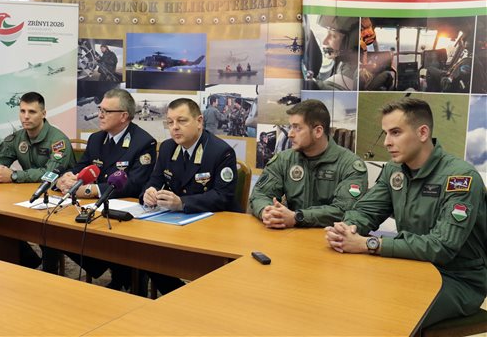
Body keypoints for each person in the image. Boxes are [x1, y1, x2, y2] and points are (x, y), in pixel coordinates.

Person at [325, 98, 486, 328]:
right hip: (410, 266)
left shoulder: (460, 178)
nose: (387, 142)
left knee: (386, 311)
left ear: (422, 133)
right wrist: (347, 228)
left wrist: (370, 244)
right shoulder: (394, 171)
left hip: (456, 279)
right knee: (345, 290)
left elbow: (442, 247)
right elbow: (365, 211)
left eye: (396, 133)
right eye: (386, 134)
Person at [54, 88, 157, 290]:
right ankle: (109, 268)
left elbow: (134, 184)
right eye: (100, 109)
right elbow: (80, 167)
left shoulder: (143, 142)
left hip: (125, 212)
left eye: (105, 111)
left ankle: (128, 277)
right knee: (61, 233)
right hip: (95, 208)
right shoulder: (96, 139)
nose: (99, 115)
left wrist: (91, 190)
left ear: (123, 116)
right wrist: (66, 178)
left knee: (108, 242)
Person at [142, 98, 238, 294]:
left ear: (199, 121)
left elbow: (223, 196)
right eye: (170, 122)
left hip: (211, 227)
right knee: (145, 253)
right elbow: (154, 180)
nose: (175, 128)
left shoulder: (221, 152)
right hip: (175, 224)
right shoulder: (167, 148)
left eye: (182, 121)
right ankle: (175, 294)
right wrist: (149, 193)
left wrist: (182, 203)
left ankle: (192, 298)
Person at [0, 92, 76, 270]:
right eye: (22, 111)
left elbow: (50, 175)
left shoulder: (58, 141)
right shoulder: (18, 137)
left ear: (43, 113)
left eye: (32, 112)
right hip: (29, 196)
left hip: (60, 200)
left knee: (46, 231)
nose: (26, 116)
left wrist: (13, 176)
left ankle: (49, 272)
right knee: (1, 221)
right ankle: (27, 262)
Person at [249, 99, 368, 228]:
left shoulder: (350, 165)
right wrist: (267, 211)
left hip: (330, 235)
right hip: (290, 234)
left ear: (318, 131)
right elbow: (260, 194)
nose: (290, 134)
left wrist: (298, 217)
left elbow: (344, 210)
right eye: (290, 127)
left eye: (297, 128)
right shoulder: (284, 159)